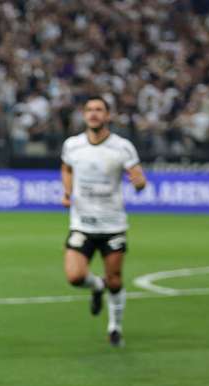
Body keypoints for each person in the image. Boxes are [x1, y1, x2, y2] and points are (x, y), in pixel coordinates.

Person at [61, 96, 147, 347]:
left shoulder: (122, 147)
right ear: (84, 115)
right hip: (82, 223)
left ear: (108, 115)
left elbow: (138, 176)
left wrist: (140, 183)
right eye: (89, 109)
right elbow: (66, 168)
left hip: (112, 225)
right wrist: (67, 192)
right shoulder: (72, 145)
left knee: (116, 280)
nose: (94, 114)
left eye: (99, 110)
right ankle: (96, 285)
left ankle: (115, 328)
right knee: (75, 276)